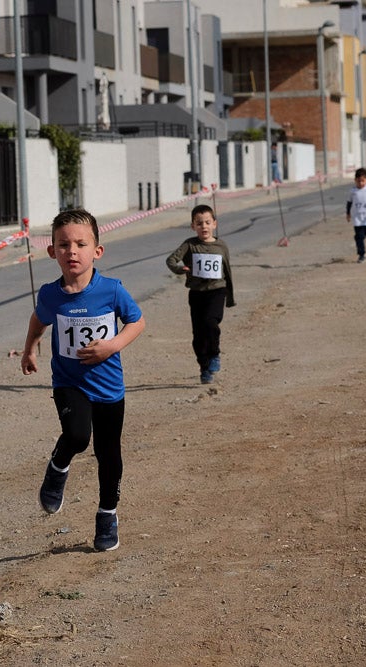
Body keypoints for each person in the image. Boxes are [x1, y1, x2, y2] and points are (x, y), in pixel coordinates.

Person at [21, 209, 146, 552]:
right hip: (69, 382)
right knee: (77, 435)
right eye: (63, 245)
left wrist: (112, 346)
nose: (72, 251)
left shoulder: (112, 291)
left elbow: (137, 322)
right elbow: (38, 320)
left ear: (97, 251)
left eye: (80, 244)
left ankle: (107, 515)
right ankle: (58, 466)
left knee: (109, 455)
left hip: (108, 387)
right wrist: (29, 349)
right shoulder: (51, 295)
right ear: (52, 253)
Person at [165, 204, 236, 385]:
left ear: (214, 224)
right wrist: (181, 269)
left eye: (207, 222)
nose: (203, 226)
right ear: (193, 226)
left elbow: (227, 270)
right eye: (199, 223)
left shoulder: (221, 245)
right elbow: (171, 259)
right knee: (198, 334)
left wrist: (230, 296)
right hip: (197, 294)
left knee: (211, 323)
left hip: (217, 291)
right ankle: (204, 367)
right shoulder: (190, 245)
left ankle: (215, 354)